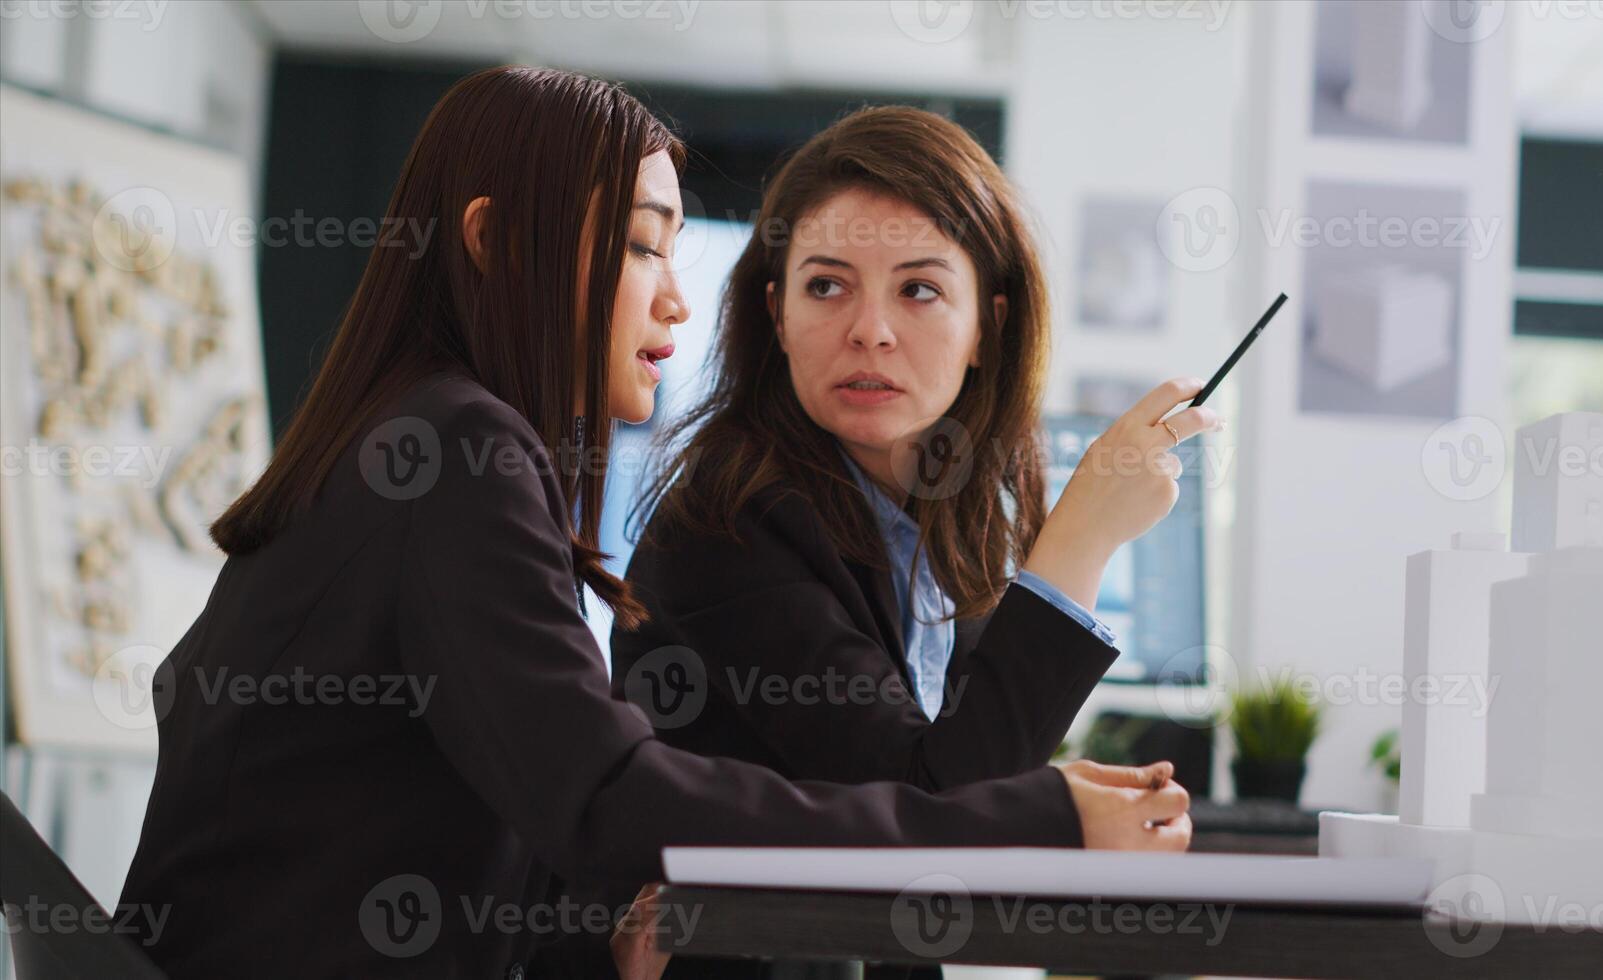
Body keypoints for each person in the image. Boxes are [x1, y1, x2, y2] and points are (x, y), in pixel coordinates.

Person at [116, 69, 1190, 980]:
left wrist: (598, 919)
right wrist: (1038, 817)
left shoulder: (426, 436)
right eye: (642, 246)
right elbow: (607, 795)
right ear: (494, 241)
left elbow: (485, 802)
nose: (675, 299)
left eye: (920, 292)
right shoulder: (453, 450)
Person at [608, 107, 1214, 978]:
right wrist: (1080, 540)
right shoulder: (730, 523)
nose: (870, 330)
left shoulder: (941, 520)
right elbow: (937, 813)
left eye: (918, 290)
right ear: (775, 315)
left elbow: (964, 794)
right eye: (827, 286)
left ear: (988, 328)